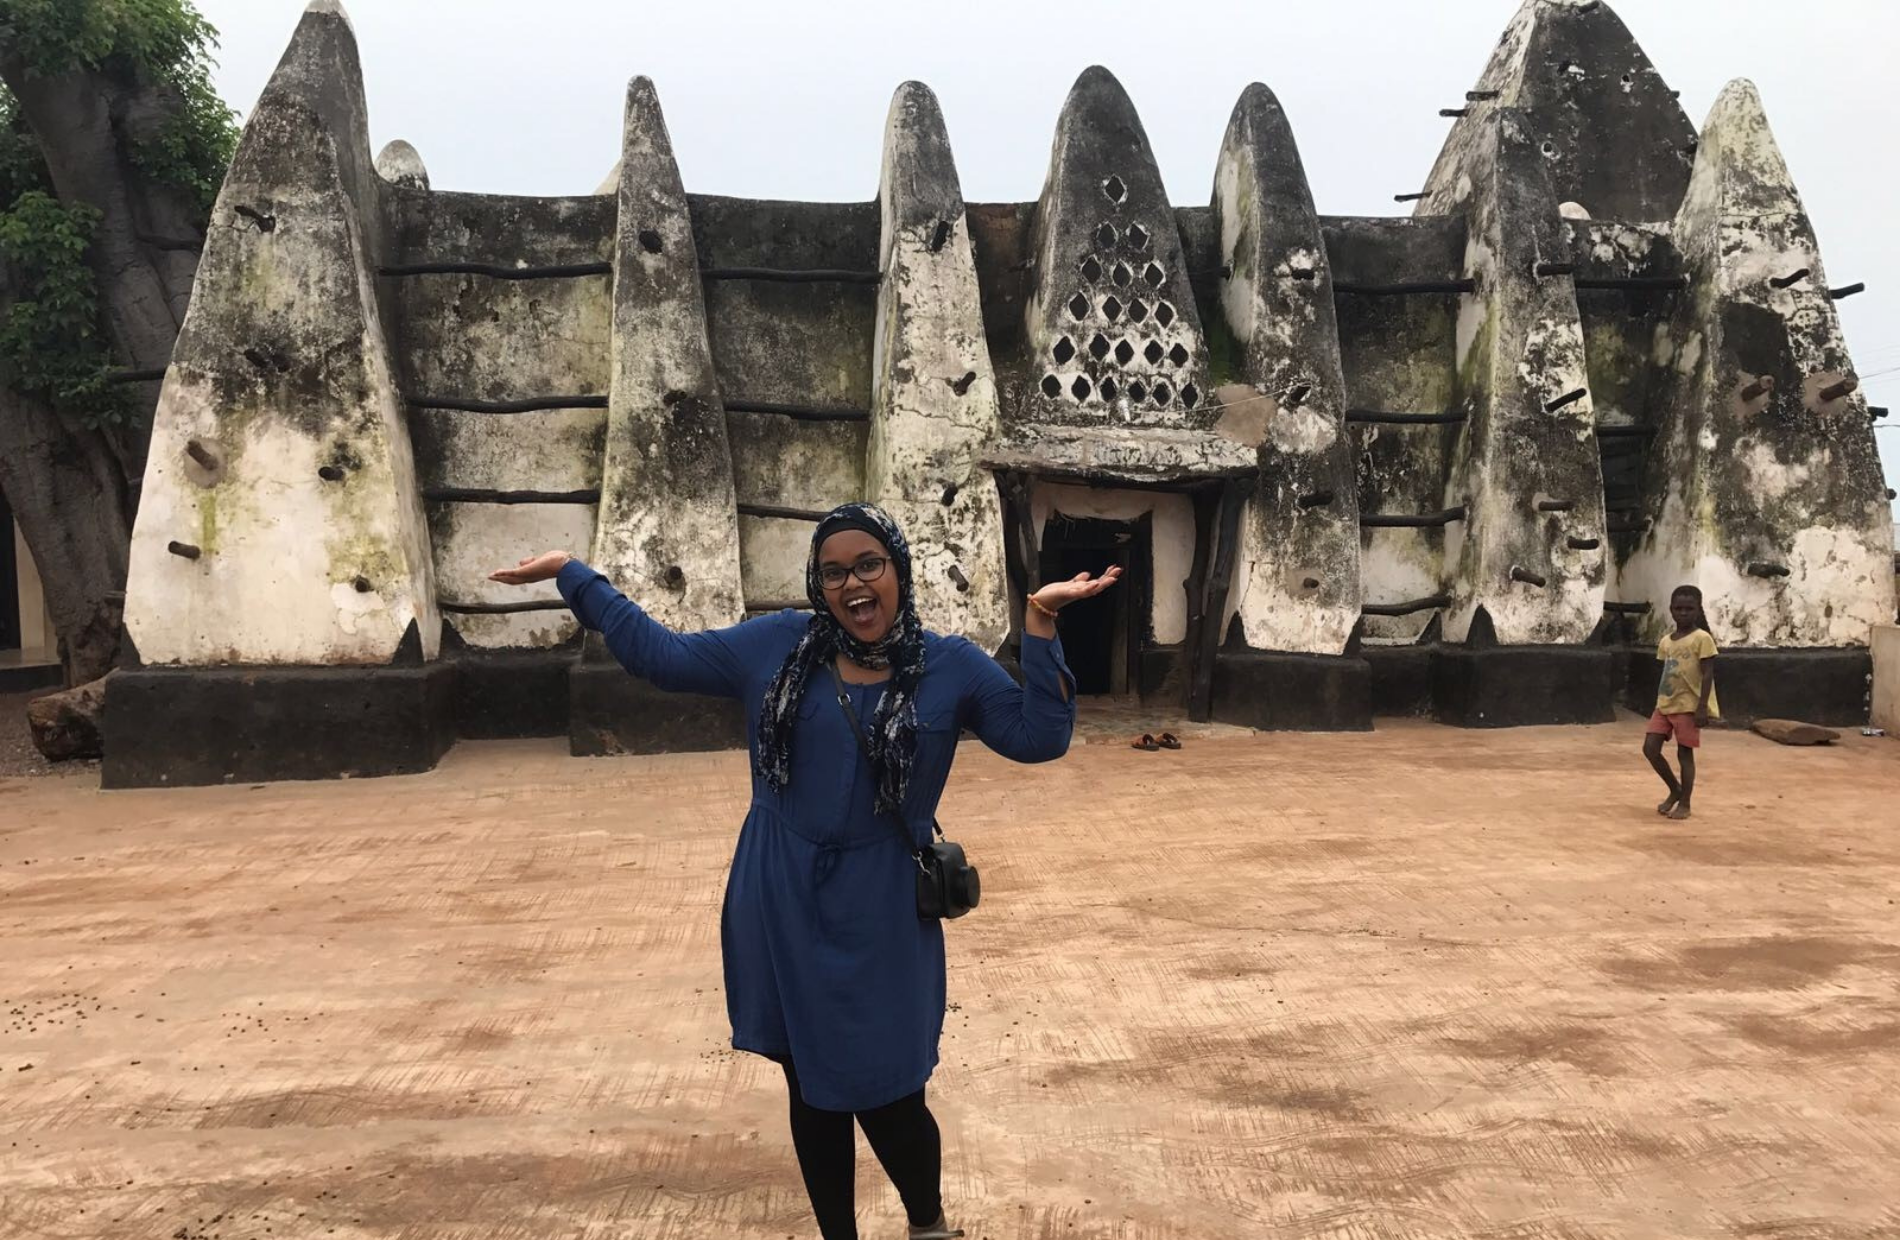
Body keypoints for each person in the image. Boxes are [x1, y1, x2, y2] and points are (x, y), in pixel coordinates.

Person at [490, 503, 1118, 1240]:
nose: (853, 583)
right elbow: (661, 657)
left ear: (897, 570)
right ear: (818, 586)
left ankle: (928, 1224)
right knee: (812, 1087)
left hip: (883, 904)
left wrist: (1040, 622)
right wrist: (576, 575)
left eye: (867, 565)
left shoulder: (950, 666)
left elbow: (1040, 738)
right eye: (833, 572)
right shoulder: (778, 647)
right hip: (780, 889)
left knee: (891, 1090)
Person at [1644, 584, 1718, 820]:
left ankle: (1685, 802)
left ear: (1698, 610)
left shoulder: (1702, 639)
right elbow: (1666, 672)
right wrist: (1658, 701)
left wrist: (1702, 706)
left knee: (1684, 755)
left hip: (1689, 706)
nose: (1683, 613)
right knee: (1650, 748)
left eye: (1689, 608)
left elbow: (1707, 673)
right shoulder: (1666, 641)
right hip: (1665, 703)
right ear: (1671, 610)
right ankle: (1675, 789)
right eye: (1679, 608)